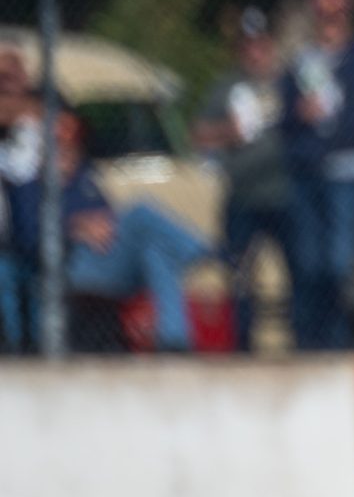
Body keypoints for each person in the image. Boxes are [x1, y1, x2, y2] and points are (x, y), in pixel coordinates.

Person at [9, 112, 211, 353]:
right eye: (59, 151)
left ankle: (174, 340)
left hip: (107, 260)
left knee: (155, 251)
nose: (67, 157)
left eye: (71, 150)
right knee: (141, 211)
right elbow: (27, 238)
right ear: (43, 154)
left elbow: (110, 223)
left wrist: (101, 225)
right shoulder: (29, 190)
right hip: (69, 264)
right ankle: (201, 251)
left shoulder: (86, 184)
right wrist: (73, 226)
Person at [279, 0, 354, 351]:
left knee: (338, 262)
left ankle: (335, 340)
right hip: (307, 171)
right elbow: (282, 119)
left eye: (339, 14)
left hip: (346, 171)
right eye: (324, 14)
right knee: (307, 262)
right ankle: (307, 341)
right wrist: (299, 113)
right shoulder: (302, 63)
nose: (331, 22)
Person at [192, 8, 293, 352]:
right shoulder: (227, 87)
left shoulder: (287, 81)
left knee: (299, 271)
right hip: (243, 195)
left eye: (260, 45)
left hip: (286, 194)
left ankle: (305, 343)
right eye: (248, 46)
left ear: (270, 46)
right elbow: (199, 134)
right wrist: (227, 132)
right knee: (238, 277)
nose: (255, 52)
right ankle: (242, 346)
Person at [0, 48, 42, 352]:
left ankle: (42, 346)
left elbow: (23, 168)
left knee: (38, 286)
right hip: (6, 235)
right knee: (6, 281)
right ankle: (15, 346)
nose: (5, 85)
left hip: (38, 226)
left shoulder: (43, 110)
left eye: (9, 76)